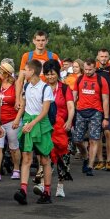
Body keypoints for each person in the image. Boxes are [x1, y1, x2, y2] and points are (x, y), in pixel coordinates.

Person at [12, 60, 54, 205]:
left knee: (44, 159)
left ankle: (47, 192)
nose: (23, 72)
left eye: (26, 69)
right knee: (27, 157)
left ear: (32, 71)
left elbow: (45, 111)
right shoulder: (26, 86)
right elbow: (23, 105)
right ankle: (23, 190)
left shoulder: (45, 88)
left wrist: (32, 124)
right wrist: (18, 119)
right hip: (28, 121)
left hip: (40, 124)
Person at [38, 60, 74, 198]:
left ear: (58, 73)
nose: (50, 77)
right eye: (47, 74)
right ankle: (42, 184)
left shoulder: (65, 88)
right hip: (46, 126)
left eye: (52, 74)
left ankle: (60, 185)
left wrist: (70, 121)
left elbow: (70, 106)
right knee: (45, 154)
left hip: (63, 127)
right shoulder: (42, 88)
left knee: (63, 157)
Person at [71, 58, 110, 176]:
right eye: (86, 69)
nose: (87, 72)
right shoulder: (79, 79)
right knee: (77, 140)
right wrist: (71, 112)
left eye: (90, 69)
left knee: (94, 139)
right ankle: (86, 156)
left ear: (95, 68)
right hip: (81, 111)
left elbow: (105, 100)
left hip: (96, 112)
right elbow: (73, 97)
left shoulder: (101, 80)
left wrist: (106, 118)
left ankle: (90, 166)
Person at [0, 60, 21, 181]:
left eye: (0, 72)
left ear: (7, 74)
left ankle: (16, 169)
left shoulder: (15, 87)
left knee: (13, 147)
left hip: (12, 120)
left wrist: (17, 119)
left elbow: (21, 104)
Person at [16, 30, 61, 110]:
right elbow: (20, 80)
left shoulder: (53, 56)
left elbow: (59, 78)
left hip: (47, 93)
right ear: (34, 41)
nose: (41, 43)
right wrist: (17, 99)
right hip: (30, 94)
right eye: (38, 40)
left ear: (47, 41)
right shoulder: (27, 56)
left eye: (43, 40)